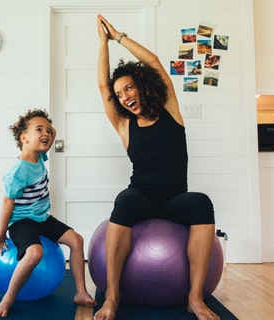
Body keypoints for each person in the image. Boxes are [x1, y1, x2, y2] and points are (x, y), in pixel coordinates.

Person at [95, 15, 220, 320]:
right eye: (120, 93)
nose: (124, 97)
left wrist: (118, 36)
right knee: (124, 200)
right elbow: (102, 86)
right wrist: (102, 43)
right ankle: (111, 298)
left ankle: (194, 299)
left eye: (129, 89)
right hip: (142, 197)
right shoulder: (125, 125)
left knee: (201, 202)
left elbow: (152, 60)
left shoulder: (171, 111)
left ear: (142, 86)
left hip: (175, 200)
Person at [0, 109, 95, 318]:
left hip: (42, 218)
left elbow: (51, 133)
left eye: (47, 130)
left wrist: (44, 127)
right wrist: (1, 233)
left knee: (76, 240)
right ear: (24, 138)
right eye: (39, 130)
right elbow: (7, 203)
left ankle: (81, 293)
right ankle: (8, 297)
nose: (47, 133)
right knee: (35, 253)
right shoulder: (17, 172)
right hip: (21, 222)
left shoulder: (39, 157)